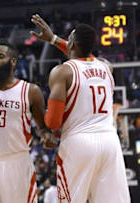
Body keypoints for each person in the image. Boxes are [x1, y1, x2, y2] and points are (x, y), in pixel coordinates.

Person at [31, 14, 130, 202]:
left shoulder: (62, 72)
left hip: (79, 143)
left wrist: (45, 129)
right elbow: (82, 56)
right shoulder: (106, 67)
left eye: (68, 39)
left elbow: (53, 121)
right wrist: (53, 39)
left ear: (72, 45)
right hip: (109, 142)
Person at [0, 27, 54, 203]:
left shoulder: (30, 91)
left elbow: (42, 128)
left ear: (13, 62)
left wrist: (47, 136)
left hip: (18, 163)